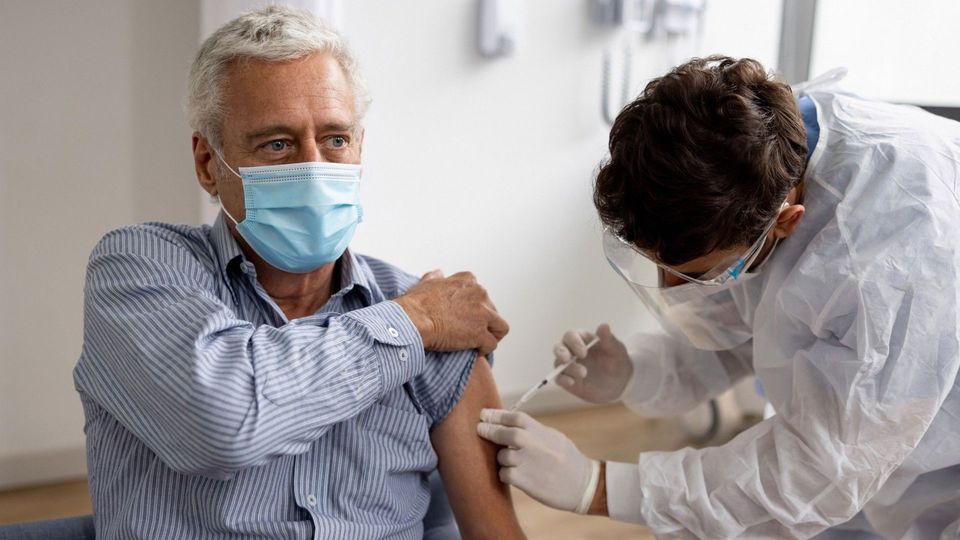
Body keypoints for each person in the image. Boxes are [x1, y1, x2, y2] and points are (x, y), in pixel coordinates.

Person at [74, 6, 524, 539]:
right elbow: (221, 424)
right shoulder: (139, 269)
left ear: (360, 148)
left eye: (335, 139)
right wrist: (413, 324)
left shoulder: (434, 315)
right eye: (277, 144)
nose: (313, 168)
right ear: (207, 164)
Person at [478, 56, 960, 538]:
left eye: (695, 274)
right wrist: (637, 371)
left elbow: (823, 470)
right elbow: (758, 324)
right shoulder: (758, 146)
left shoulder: (890, 254)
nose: (672, 290)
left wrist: (600, 486)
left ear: (786, 222)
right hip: (871, 454)